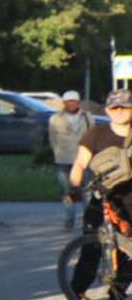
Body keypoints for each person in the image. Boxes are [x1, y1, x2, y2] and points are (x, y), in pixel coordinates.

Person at [58, 89, 132, 300]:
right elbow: (80, 163)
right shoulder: (96, 134)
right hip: (101, 199)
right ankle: (75, 298)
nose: (118, 112)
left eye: (124, 107)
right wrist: (74, 184)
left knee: (127, 255)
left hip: (129, 202)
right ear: (107, 110)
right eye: (114, 108)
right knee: (90, 250)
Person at [48, 88, 92, 231]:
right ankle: (69, 219)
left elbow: (92, 136)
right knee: (67, 191)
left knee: (87, 191)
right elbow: (52, 139)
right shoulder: (55, 119)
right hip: (63, 160)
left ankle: (89, 220)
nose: (71, 104)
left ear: (78, 103)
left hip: (84, 159)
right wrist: (57, 153)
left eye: (74, 101)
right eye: (68, 102)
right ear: (64, 103)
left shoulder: (87, 117)